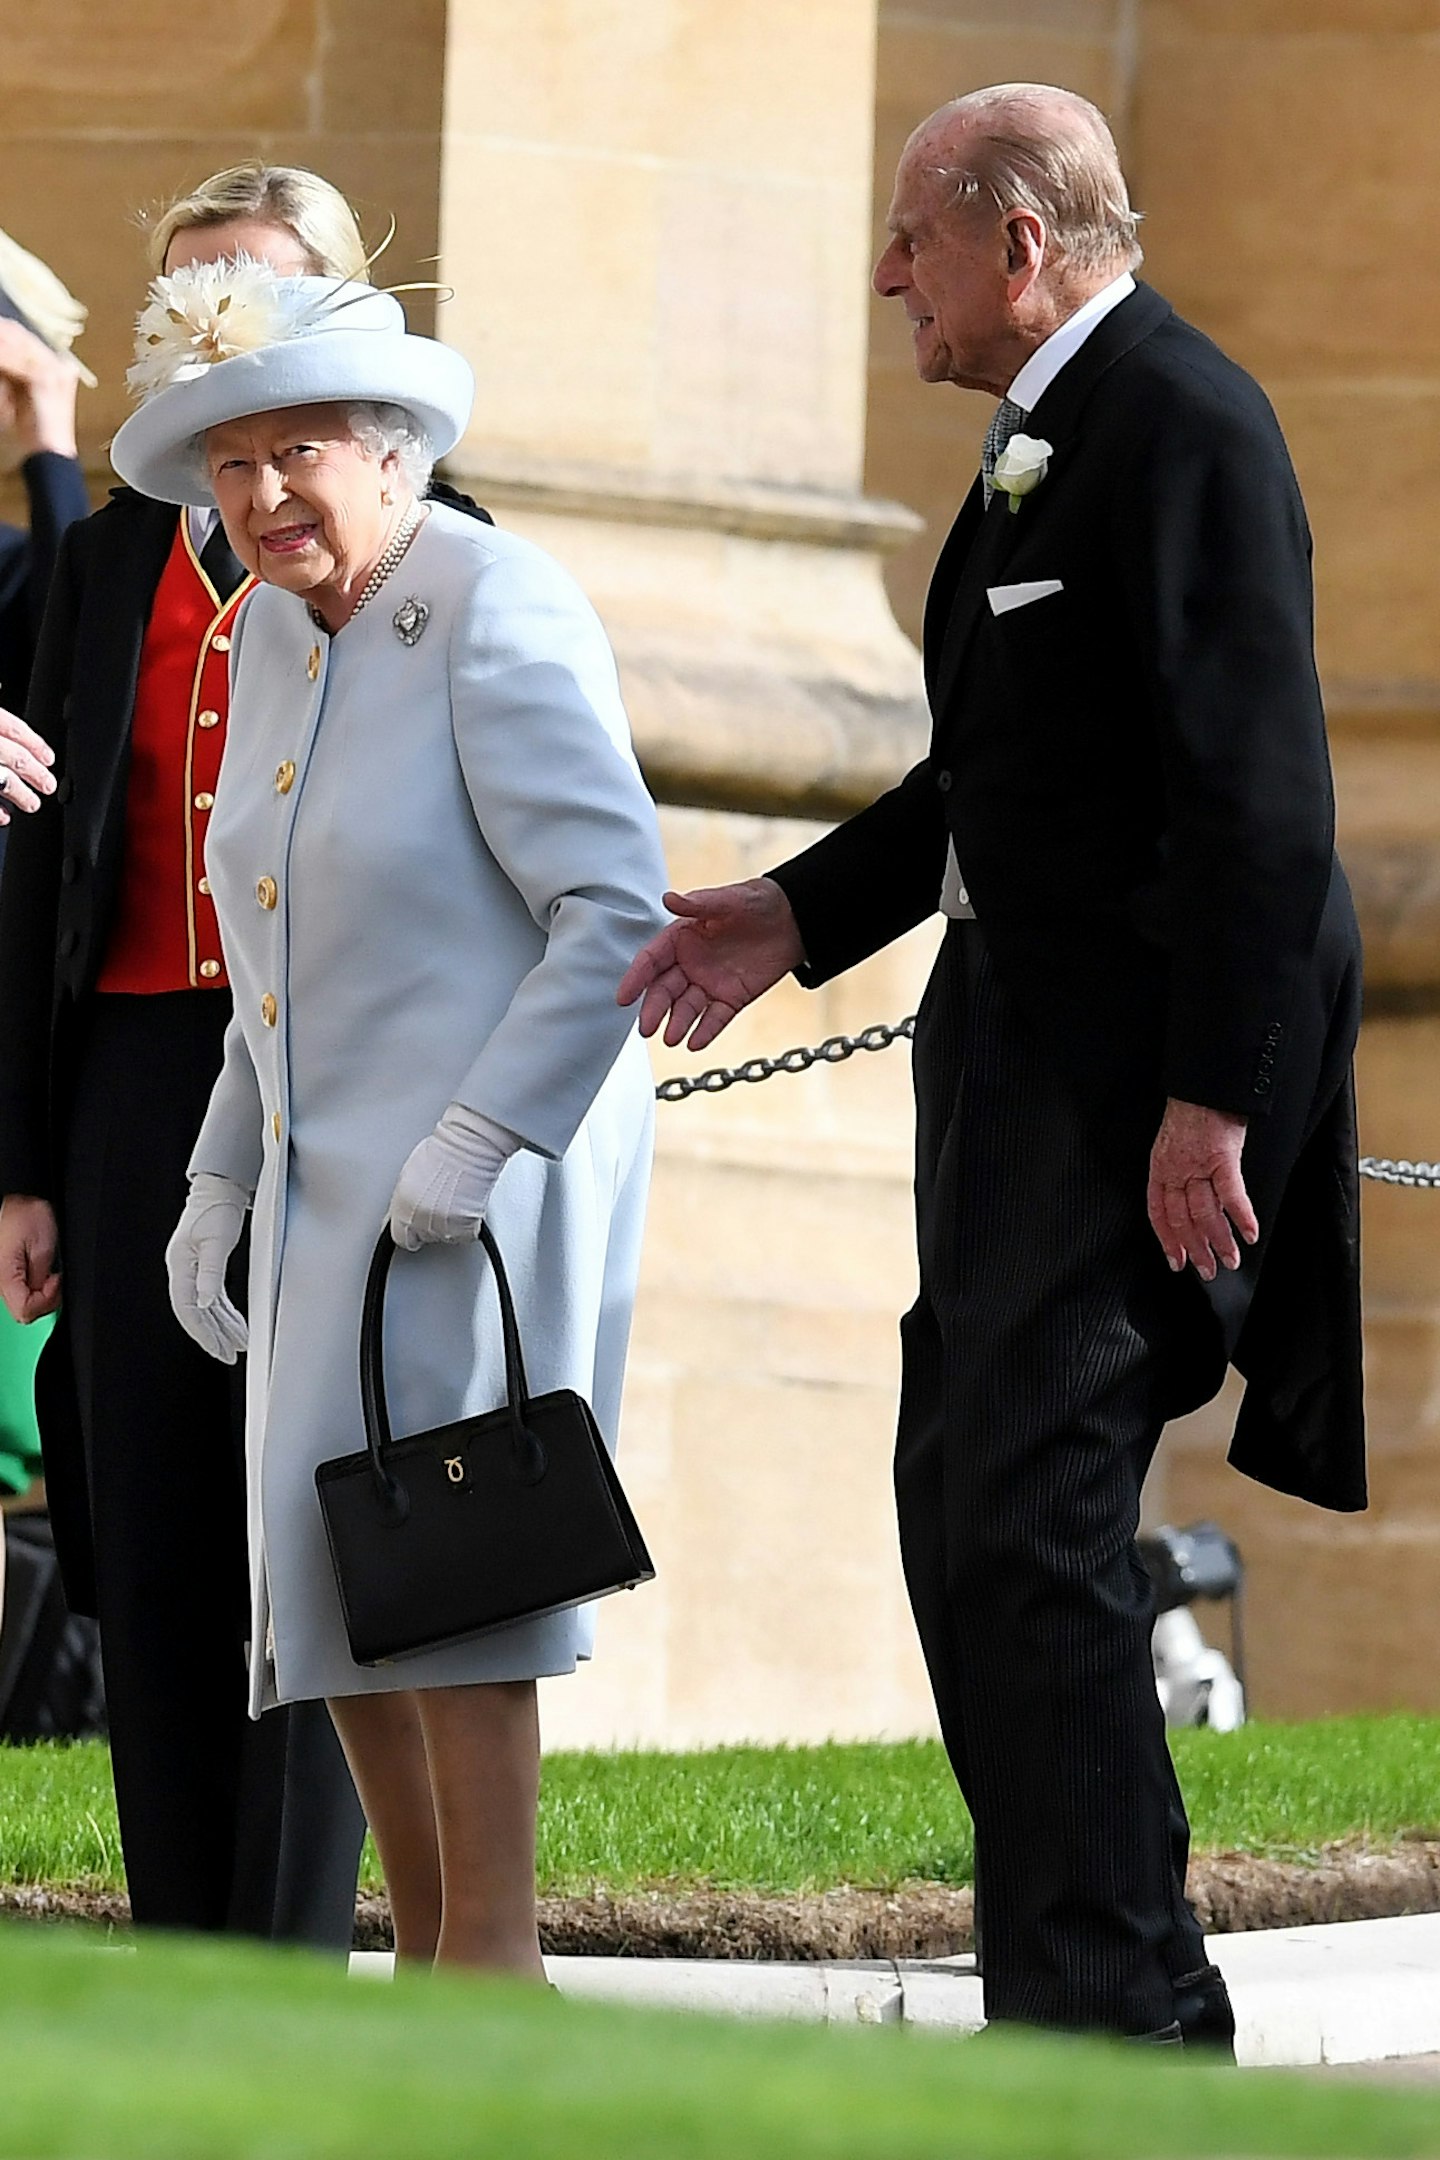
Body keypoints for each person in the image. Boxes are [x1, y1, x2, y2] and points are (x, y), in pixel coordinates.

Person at [619, 83, 1364, 2049]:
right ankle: (1069, 1983)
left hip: (1126, 1104)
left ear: (1015, 241)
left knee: (1029, 1526)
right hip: (1013, 1083)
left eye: (911, 238)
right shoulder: (1057, 436)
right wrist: (796, 911)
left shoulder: (1181, 421)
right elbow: (1004, 767)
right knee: (968, 1506)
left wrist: (1213, 1097)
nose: (886, 278)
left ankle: (1125, 2014)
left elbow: (1266, 806)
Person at [109, 254, 669, 1973]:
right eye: (229, 462)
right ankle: (425, 1955)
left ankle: (491, 1962)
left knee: (460, 1562)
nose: (262, 495)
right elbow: (263, 952)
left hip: (475, 1180)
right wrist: (217, 1183)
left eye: (297, 455)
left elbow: (615, 908)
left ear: (389, 449)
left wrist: (485, 1135)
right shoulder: (272, 633)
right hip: (319, 1184)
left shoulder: (493, 600)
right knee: (332, 1568)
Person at [0, 165, 426, 1947]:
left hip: (329, 1083)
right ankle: (188, 1938)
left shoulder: (420, 540)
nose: (216, 333)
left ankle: (296, 1939)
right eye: (186, 299)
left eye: (252, 292)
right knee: (145, 1507)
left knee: (309, 1504)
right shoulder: (101, 560)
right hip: (124, 1079)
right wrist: (23, 1158)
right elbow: (39, 868)